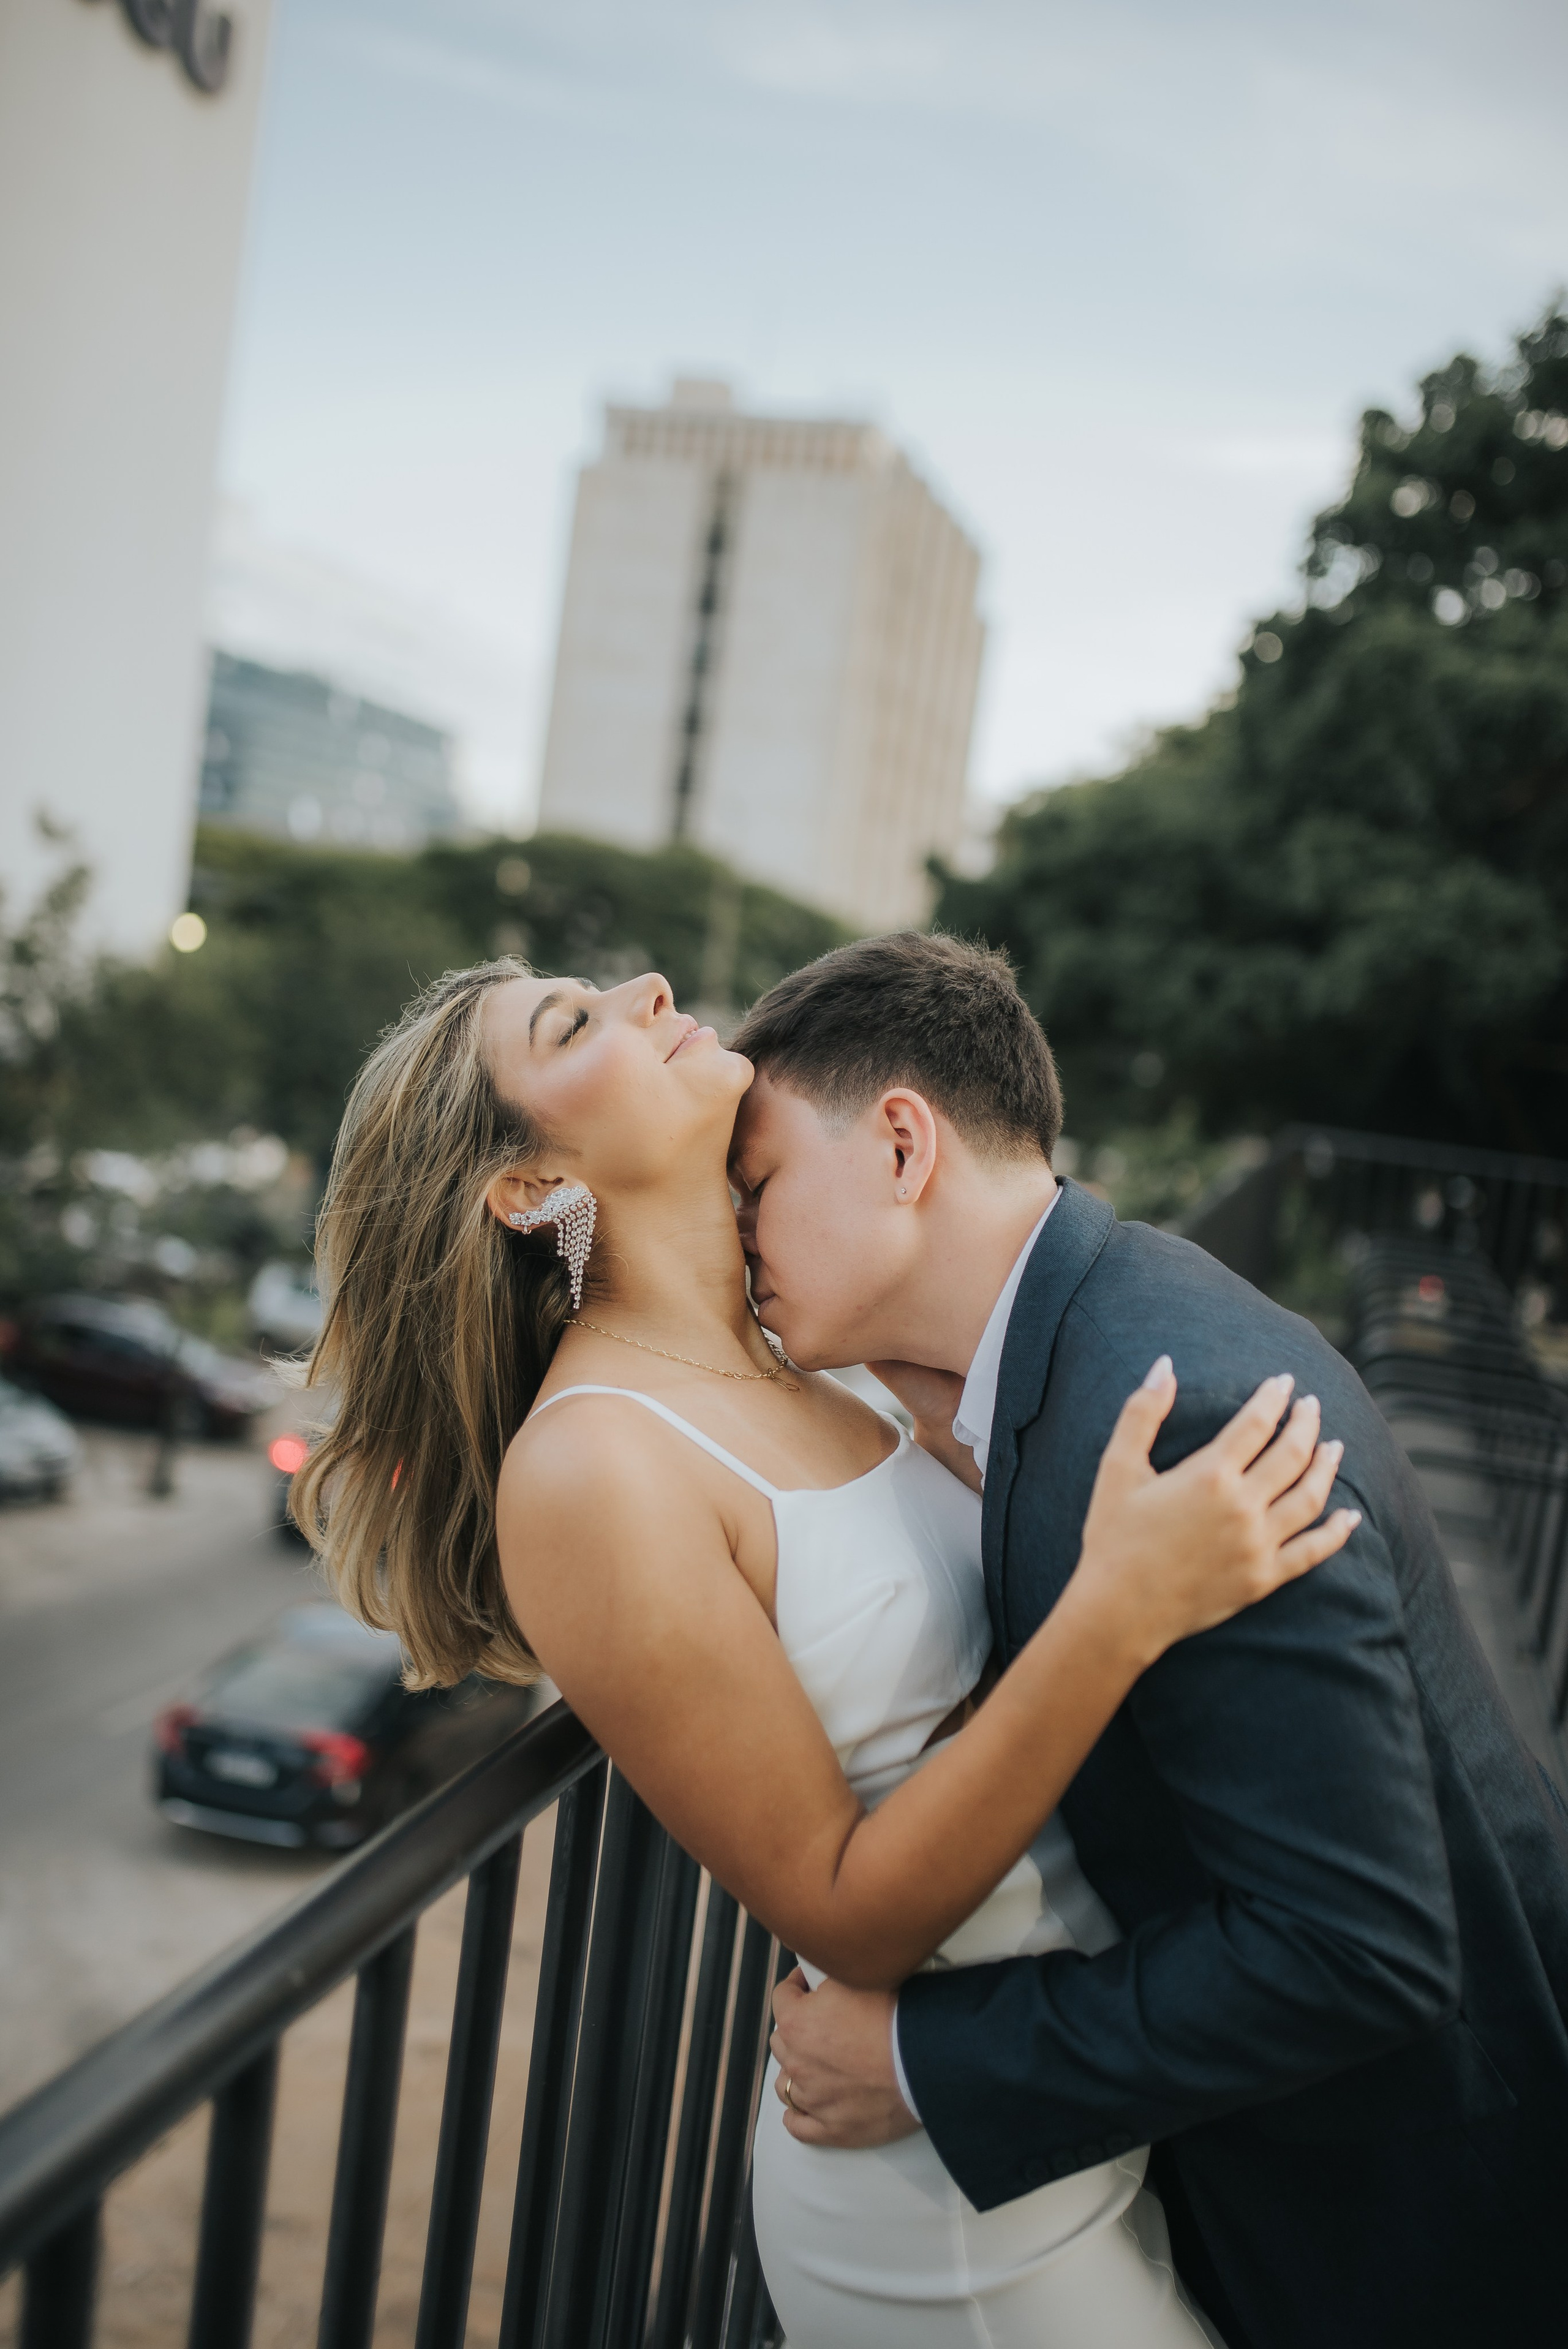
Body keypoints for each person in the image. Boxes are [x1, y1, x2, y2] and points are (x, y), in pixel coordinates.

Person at [295, 953, 1359, 2349]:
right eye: (576, 1022)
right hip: (949, 2220)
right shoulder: (592, 1465)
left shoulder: (817, 1346)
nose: (651, 987)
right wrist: (1120, 1607)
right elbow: (844, 1911)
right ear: (521, 1186)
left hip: (1070, 2079)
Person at [734, 931, 1568, 2349]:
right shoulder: (1092, 1333)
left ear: (897, 1143)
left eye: (752, 1186)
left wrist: (926, 2063)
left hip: (1416, 2233)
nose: (732, 1236)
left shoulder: (1169, 1413)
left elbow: (1354, 1950)